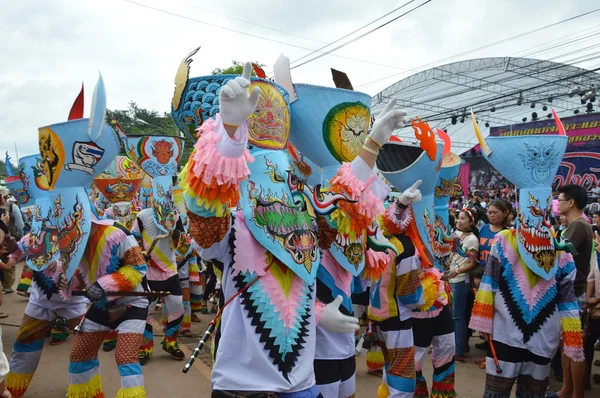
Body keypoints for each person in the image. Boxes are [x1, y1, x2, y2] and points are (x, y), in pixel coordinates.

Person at [174, 54, 379, 396]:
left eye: (286, 178)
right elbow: (204, 209)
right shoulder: (232, 229)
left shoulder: (309, 228)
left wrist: (372, 145)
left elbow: (342, 203)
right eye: (268, 177)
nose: (282, 186)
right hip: (243, 383)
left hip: (301, 383)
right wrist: (230, 133)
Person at [469, 118, 584, 398]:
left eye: (542, 209)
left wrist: (571, 339)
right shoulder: (505, 241)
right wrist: (484, 323)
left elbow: (567, 299)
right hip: (506, 333)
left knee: (532, 393)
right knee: (496, 394)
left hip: (543, 338)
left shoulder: (562, 251)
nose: (536, 216)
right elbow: (489, 282)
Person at [554, 184, 594, 397]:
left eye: (560, 200)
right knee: (566, 347)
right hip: (569, 292)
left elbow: (559, 255)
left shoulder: (578, 226)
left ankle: (575, 393)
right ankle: (566, 389)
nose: (557, 203)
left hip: (574, 293)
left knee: (574, 349)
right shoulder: (577, 224)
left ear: (571, 203)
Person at [447, 208, 479, 362]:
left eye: (463, 219)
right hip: (450, 279)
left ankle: (459, 351)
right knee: (450, 315)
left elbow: (472, 264)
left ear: (471, 222)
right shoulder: (456, 234)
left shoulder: (472, 239)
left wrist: (457, 271)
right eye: (458, 218)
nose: (459, 221)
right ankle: (452, 347)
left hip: (460, 281)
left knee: (457, 316)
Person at [584, 234, 600, 386]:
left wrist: (597, 299)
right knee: (588, 343)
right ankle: (584, 378)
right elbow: (591, 278)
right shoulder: (597, 254)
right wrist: (588, 300)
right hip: (596, 310)